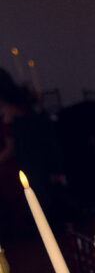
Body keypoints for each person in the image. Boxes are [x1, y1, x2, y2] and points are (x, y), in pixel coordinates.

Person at [0, 68, 35, 238]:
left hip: (17, 164)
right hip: (29, 162)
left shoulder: (9, 110)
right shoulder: (21, 104)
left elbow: (10, 149)